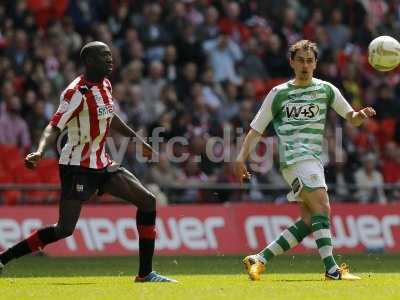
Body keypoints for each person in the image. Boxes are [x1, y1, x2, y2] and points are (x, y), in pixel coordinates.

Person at [0, 41, 176, 283]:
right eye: (105, 56)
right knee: (64, 229)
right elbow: (54, 126)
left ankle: (145, 274)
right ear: (90, 61)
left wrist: (137, 140)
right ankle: (3, 258)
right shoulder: (75, 92)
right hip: (77, 167)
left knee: (147, 201)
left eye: (110, 55)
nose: (111, 59)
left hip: (102, 163)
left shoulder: (105, 84)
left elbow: (109, 116)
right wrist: (40, 152)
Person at [234, 40, 376, 281]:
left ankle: (259, 258)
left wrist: (360, 115)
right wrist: (240, 158)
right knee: (322, 207)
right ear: (291, 62)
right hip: (295, 158)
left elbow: (351, 118)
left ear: (316, 63)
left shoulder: (326, 89)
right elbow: (256, 129)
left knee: (311, 219)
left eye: (309, 60)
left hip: (313, 159)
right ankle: (332, 270)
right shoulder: (278, 93)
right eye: (300, 60)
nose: (305, 65)